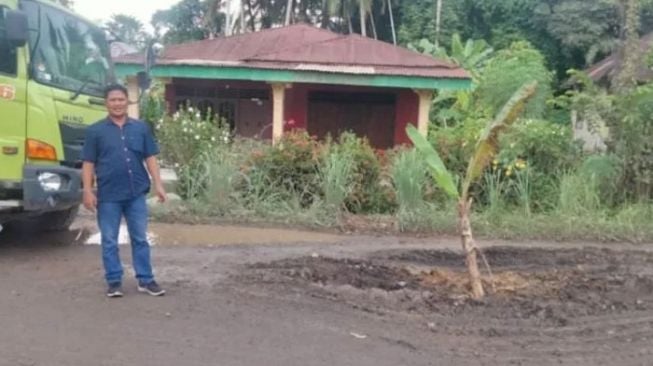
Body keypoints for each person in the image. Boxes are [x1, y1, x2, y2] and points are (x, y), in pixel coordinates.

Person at [82, 84, 166, 298]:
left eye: (121, 99)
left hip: (136, 193)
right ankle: (114, 281)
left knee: (139, 238)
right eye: (113, 100)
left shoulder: (141, 128)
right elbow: (88, 163)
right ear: (106, 103)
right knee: (109, 239)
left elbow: (151, 158)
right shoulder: (95, 131)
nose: (117, 103)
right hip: (108, 195)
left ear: (127, 102)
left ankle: (146, 280)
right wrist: (88, 191)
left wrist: (159, 184)